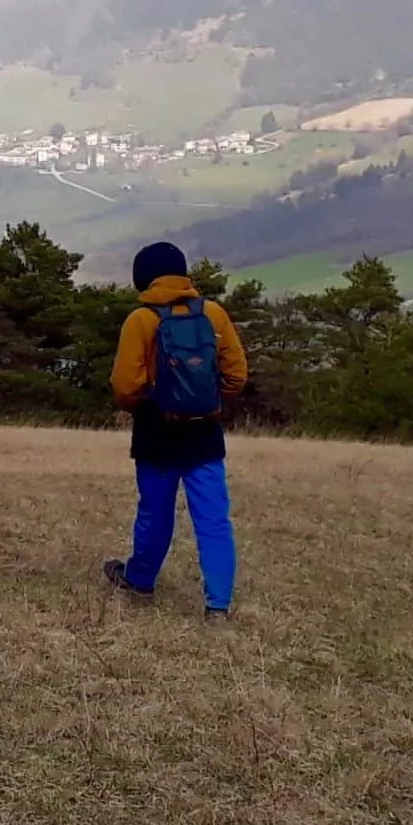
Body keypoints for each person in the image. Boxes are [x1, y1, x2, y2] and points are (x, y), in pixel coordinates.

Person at [102, 241, 248, 620]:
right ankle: (218, 604)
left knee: (155, 511)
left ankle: (140, 581)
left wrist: (148, 407)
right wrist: (209, 400)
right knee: (214, 518)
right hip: (205, 433)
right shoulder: (213, 313)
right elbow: (237, 374)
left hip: (156, 432)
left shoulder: (142, 319)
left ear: (144, 277)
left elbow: (124, 385)